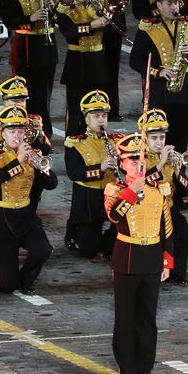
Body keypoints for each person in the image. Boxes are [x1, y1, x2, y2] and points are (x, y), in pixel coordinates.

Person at [106, 129, 173, 374]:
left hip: (152, 256)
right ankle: (128, 369)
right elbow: (114, 216)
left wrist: (167, 259)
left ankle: (145, 368)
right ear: (122, 163)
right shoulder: (116, 188)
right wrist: (133, 191)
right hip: (128, 257)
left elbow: (166, 226)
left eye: (141, 158)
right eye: (132, 159)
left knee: (147, 317)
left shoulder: (159, 187)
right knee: (126, 316)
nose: (138, 163)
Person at [0, 106, 58, 293]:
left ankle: (25, 280)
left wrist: (40, 167)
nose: (16, 136)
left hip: (25, 216)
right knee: (6, 287)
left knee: (43, 249)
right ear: (2, 134)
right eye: (11, 131)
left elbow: (52, 183)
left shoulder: (33, 155)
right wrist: (18, 161)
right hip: (1, 219)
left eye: (20, 131)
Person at [0, 0, 64, 136]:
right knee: (22, 92)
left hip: (47, 45)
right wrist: (31, 17)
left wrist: (55, 11)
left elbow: (65, 19)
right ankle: (21, 131)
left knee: (44, 93)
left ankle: (44, 134)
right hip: (25, 45)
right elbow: (9, 19)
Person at [128, 0, 188, 151]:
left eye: (177, 2)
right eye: (169, 3)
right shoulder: (149, 27)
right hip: (159, 93)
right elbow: (135, 61)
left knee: (181, 142)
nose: (175, 7)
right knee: (156, 144)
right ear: (159, 5)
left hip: (185, 92)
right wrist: (157, 72)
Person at [139, 110, 188, 286]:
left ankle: (175, 271)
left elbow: (187, 190)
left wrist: (178, 171)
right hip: (144, 209)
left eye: (162, 138)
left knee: (187, 235)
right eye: (154, 138)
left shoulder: (175, 158)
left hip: (167, 207)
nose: (159, 142)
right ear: (145, 138)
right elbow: (140, 183)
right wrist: (160, 164)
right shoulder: (137, 157)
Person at [55, 0, 113, 137]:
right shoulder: (64, 9)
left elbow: (118, 30)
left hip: (97, 62)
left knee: (98, 106)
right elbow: (70, 33)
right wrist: (93, 25)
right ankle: (72, 141)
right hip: (76, 62)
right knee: (75, 110)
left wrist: (105, 16)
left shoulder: (100, 8)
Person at [63, 90, 122, 259]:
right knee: (88, 251)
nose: (101, 119)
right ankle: (74, 226)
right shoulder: (75, 143)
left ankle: (108, 244)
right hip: (88, 198)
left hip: (111, 193)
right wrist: (101, 168)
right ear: (86, 119)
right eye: (96, 116)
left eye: (104, 115)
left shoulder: (115, 141)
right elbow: (74, 173)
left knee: (123, 224)